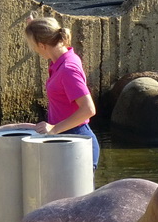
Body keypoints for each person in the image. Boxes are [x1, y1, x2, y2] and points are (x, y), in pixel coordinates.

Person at [24, 15, 101, 168]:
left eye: (35, 47)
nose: (36, 51)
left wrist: (54, 128)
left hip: (77, 143)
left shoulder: (67, 70)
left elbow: (89, 109)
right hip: (65, 140)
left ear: (42, 45)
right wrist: (35, 27)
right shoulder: (63, 60)